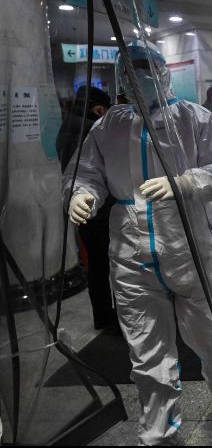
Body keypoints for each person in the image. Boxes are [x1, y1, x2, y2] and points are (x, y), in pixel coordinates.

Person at [64, 40, 212, 446]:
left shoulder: (193, 118)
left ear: (162, 72)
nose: (137, 74)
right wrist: (80, 194)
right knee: (147, 351)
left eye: (145, 66)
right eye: (129, 67)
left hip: (191, 249)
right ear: (120, 77)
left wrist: (183, 182)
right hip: (132, 255)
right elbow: (85, 172)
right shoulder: (107, 126)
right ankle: (160, 430)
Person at [57, 85, 118, 330]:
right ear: (98, 108)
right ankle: (109, 318)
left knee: (96, 263)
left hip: (80, 204)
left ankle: (102, 315)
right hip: (96, 207)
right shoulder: (90, 129)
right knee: (107, 264)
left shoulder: (68, 125)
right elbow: (92, 172)